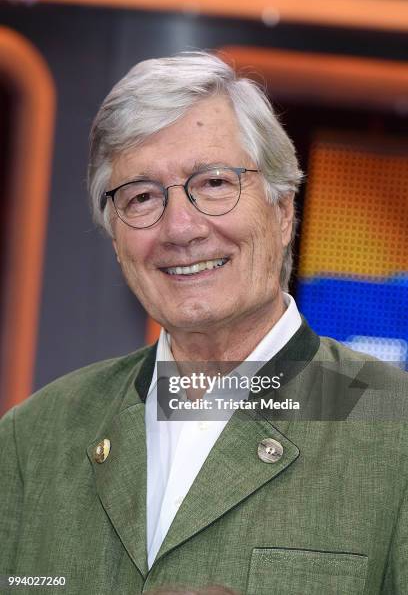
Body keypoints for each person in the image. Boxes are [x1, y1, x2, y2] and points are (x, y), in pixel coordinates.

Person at [1, 51, 407, 595]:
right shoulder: (33, 438)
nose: (180, 228)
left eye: (214, 183)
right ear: (117, 237)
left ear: (283, 211)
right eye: (142, 196)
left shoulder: (394, 427)